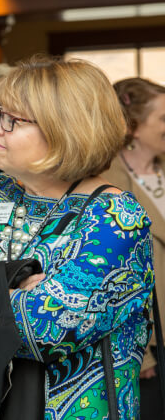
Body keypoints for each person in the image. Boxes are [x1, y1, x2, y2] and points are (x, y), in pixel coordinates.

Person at [0, 55, 154, 419]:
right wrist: (11, 292)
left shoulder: (116, 217)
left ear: (65, 129)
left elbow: (46, 328)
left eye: (11, 120)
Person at [102, 77, 165, 420]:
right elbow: (113, 270)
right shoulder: (108, 179)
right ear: (136, 126)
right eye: (164, 118)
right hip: (151, 339)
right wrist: (142, 354)